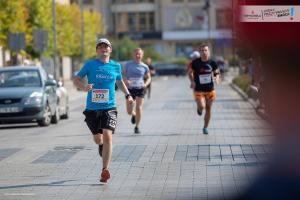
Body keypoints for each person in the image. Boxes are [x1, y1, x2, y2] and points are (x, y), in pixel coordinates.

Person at [73, 38, 133, 183]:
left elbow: (119, 82)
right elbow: (76, 79)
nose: (103, 49)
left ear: (110, 50)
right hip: (92, 108)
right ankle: (100, 145)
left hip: (109, 107)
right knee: (98, 138)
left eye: (106, 47)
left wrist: (128, 95)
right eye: (100, 47)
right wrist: (83, 87)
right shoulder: (90, 64)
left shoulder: (116, 66)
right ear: (97, 50)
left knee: (107, 135)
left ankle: (104, 169)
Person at [188, 44, 220, 134]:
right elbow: (190, 73)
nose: (204, 52)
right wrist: (192, 81)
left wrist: (216, 78)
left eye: (205, 50)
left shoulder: (212, 63)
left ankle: (205, 127)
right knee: (202, 106)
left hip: (210, 90)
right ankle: (199, 109)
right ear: (200, 52)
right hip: (199, 89)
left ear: (208, 51)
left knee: (208, 108)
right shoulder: (195, 63)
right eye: (202, 50)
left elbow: (217, 72)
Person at [123, 48, 151, 134]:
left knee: (139, 107)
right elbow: (122, 75)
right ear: (133, 55)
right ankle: (133, 115)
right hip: (130, 89)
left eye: (139, 54)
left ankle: (137, 126)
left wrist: (145, 84)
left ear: (142, 55)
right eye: (136, 54)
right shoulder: (128, 65)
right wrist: (125, 80)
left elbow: (149, 77)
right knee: (129, 111)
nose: (138, 55)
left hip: (140, 88)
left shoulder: (145, 66)